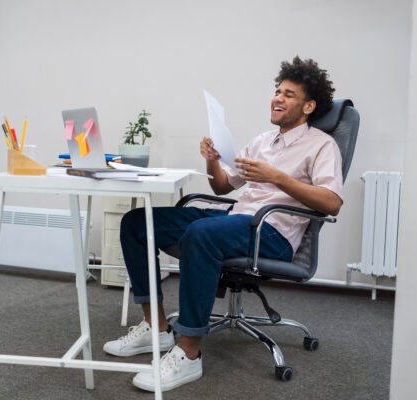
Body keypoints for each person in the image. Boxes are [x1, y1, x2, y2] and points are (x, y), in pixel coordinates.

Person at [103, 56, 343, 392]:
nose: (277, 98)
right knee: (137, 223)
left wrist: (276, 177)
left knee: (201, 234)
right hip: (236, 218)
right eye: (277, 91)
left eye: (289, 94)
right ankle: (155, 326)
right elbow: (222, 187)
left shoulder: (321, 145)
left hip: (272, 232)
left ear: (308, 106)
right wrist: (212, 161)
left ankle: (188, 353)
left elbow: (331, 202)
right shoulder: (262, 141)